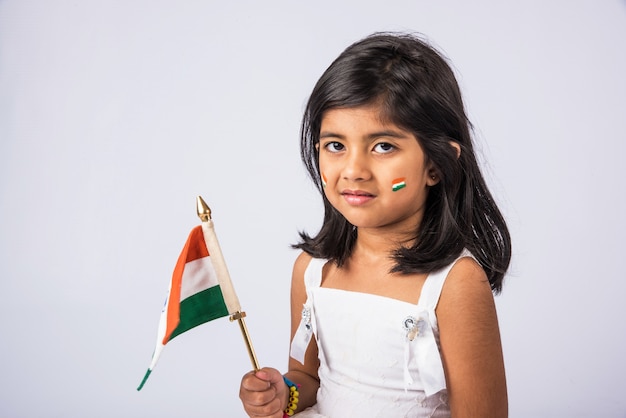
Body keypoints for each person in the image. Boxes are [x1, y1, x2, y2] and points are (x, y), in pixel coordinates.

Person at [239, 32, 511, 418]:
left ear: (436, 164)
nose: (353, 170)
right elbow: (306, 377)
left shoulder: (454, 284)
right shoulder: (313, 271)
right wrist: (283, 394)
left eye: (383, 146)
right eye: (335, 145)